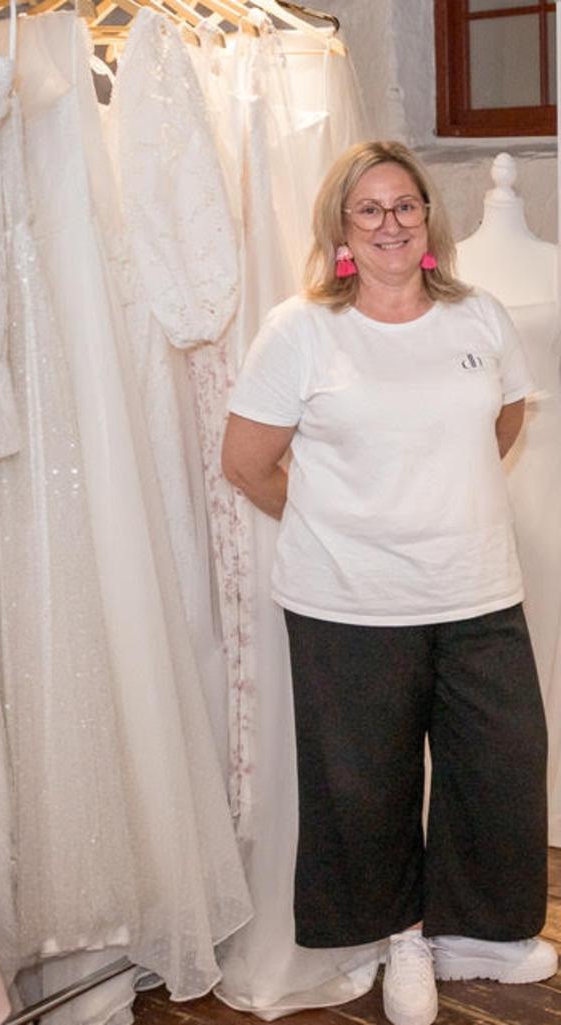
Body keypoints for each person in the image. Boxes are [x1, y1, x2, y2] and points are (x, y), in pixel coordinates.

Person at [221, 140, 557, 1025]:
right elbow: (248, 461)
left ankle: (472, 931)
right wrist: (344, 518)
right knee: (365, 783)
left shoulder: (478, 316)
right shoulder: (300, 329)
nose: (390, 223)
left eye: (405, 205)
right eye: (368, 209)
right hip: (348, 601)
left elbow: (506, 417)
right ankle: (402, 938)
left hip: (479, 589)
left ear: (428, 220)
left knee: (501, 765)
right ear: (341, 226)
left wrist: (436, 494)